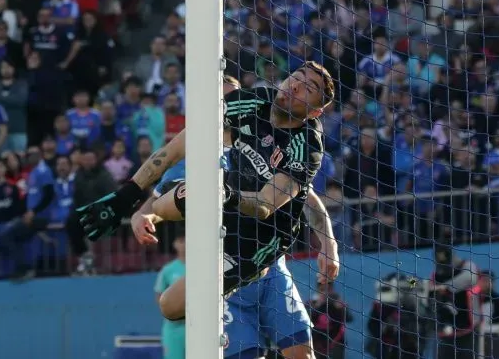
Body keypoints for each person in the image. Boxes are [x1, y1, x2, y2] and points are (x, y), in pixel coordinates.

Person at [78, 61, 336, 321]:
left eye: (309, 88)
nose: (296, 86)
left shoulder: (307, 148)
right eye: (296, 77)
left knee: (175, 306)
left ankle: (241, 286)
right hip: (225, 198)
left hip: (261, 235)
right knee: (167, 300)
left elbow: (268, 205)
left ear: (315, 112)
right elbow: (176, 148)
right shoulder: (254, 102)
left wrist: (328, 244)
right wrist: (127, 197)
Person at [130, 76, 340, 359]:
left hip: (271, 269)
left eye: (232, 98)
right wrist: (142, 217)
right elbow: (163, 200)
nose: (228, 108)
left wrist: (328, 244)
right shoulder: (195, 156)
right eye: (222, 101)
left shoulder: (268, 143)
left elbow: (306, 199)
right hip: (227, 268)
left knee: (302, 355)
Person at [155, 232, 186, 359]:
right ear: (175, 244)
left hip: (199, 325)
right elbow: (159, 295)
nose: (184, 244)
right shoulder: (168, 270)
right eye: (181, 240)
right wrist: (172, 313)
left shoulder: (203, 267)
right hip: (175, 328)